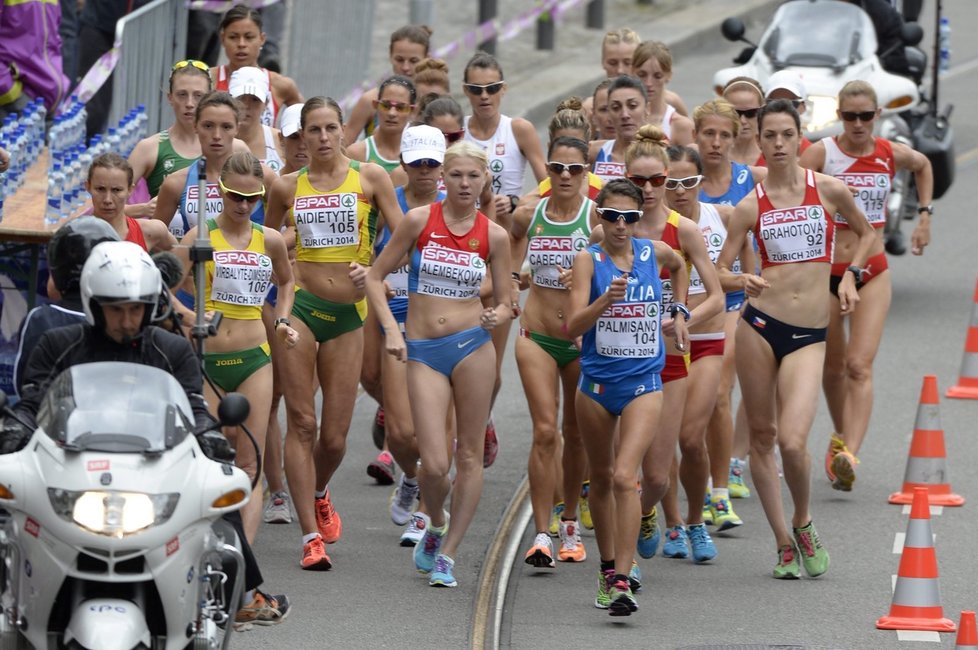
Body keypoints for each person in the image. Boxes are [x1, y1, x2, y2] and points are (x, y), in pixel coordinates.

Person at [8, 240, 290, 628]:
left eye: (136, 309)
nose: (127, 320)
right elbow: (31, 401)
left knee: (221, 491)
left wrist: (212, 439)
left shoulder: (171, 349)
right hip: (70, 467)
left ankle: (240, 592)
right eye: (116, 309)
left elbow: (194, 409)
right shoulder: (59, 344)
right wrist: (12, 428)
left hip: (153, 470)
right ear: (94, 305)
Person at [715, 99, 876, 579]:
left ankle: (803, 520)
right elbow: (719, 270)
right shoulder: (751, 205)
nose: (780, 144)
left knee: (791, 441)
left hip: (809, 334)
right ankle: (783, 542)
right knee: (762, 437)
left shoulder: (829, 190)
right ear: (760, 141)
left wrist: (849, 278)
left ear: (799, 137)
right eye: (771, 136)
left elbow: (866, 234)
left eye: (788, 135)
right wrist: (741, 280)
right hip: (759, 328)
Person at [264, 97, 403, 571]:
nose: (322, 138)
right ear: (300, 136)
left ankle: (320, 491)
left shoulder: (369, 177)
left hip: (348, 316)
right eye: (313, 130)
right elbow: (262, 246)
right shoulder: (286, 187)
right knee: (302, 422)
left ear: (344, 130)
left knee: (335, 438)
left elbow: (404, 240)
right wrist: (287, 247)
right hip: (302, 308)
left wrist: (374, 269)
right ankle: (309, 536)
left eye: (330, 128)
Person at [366, 140, 512, 588]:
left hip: (472, 346)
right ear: (443, 179)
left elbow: (508, 300)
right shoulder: (417, 221)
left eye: (474, 176)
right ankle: (435, 518)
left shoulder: (495, 235)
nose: (465, 184)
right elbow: (374, 276)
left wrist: (498, 313)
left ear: (485, 179)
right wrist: (392, 329)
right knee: (433, 464)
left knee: (468, 455)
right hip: (424, 349)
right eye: (457, 175)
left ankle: (447, 553)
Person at [799, 80, 933, 492]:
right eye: (849, 115)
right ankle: (841, 434)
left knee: (859, 365)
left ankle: (849, 454)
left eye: (866, 115)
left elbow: (924, 164)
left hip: (872, 268)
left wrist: (925, 215)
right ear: (839, 116)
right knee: (834, 367)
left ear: (878, 116)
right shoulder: (824, 153)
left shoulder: (889, 154)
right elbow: (790, 188)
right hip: (827, 272)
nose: (857, 123)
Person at [566, 178, 689, 615]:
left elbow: (680, 266)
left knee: (624, 476)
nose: (621, 225)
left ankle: (622, 576)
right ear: (600, 216)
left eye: (630, 217)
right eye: (613, 216)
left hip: (644, 381)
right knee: (599, 478)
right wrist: (605, 301)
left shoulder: (652, 252)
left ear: (639, 219)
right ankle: (605, 566)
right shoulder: (588, 260)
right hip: (597, 385)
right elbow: (573, 327)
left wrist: (678, 309)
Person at [176, 152, 298, 542]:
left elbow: (287, 282)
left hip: (254, 361)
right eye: (235, 197)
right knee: (205, 460)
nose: (244, 206)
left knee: (250, 464)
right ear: (219, 192)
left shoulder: (271, 239)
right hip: (208, 361)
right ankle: (201, 544)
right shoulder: (198, 238)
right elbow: (165, 286)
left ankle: (242, 558)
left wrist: (281, 319)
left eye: (253, 198)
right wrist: (187, 316)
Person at [623, 125, 723, 565]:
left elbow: (717, 295)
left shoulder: (684, 230)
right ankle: (619, 562)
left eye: (657, 180)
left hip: (670, 354)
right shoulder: (610, 225)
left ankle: (653, 513)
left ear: (667, 178)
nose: (648, 190)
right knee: (622, 470)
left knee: (659, 474)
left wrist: (683, 317)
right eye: (638, 181)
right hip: (621, 356)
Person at [511, 136, 595, 568]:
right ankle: (541, 533)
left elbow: (619, 269)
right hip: (537, 333)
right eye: (557, 168)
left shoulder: (596, 218)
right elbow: (507, 254)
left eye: (574, 169)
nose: (564, 176)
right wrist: (513, 281)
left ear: (586, 172)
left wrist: (583, 278)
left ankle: (569, 523)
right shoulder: (530, 215)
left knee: (576, 432)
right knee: (545, 431)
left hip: (581, 340)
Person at [662, 144, 753, 535]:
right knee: (666, 433)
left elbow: (737, 261)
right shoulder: (652, 228)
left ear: (701, 181)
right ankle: (669, 514)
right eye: (672, 183)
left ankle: (718, 491)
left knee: (713, 404)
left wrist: (746, 284)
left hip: (716, 323)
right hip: (665, 338)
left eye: (688, 182)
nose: (681, 191)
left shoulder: (723, 215)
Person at [376, 124, 447, 544]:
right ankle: (411, 476)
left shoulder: (453, 204)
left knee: (437, 428)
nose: (424, 170)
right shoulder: (390, 202)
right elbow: (370, 257)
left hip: (442, 328)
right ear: (402, 164)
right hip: (397, 322)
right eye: (417, 163)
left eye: (432, 163)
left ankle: (426, 513)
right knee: (401, 432)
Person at [693, 98, 764, 502]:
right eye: (709, 134)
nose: (716, 143)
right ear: (696, 136)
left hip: (734, 298)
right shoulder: (682, 179)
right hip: (688, 300)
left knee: (720, 388)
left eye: (724, 135)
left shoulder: (750, 178)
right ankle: (697, 464)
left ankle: (719, 482)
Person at [13, 218, 119, 398]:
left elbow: (22, 384)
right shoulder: (126, 320)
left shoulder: (40, 318)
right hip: (112, 420)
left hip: (52, 420)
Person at [262, 101, 305, 526]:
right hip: (275, 301)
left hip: (320, 304)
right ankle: (277, 491)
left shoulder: (342, 181)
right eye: (293, 137)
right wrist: (293, 239)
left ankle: (308, 484)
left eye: (307, 134)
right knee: (274, 399)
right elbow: (266, 240)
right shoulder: (276, 184)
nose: (303, 145)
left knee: (304, 410)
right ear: (283, 140)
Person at [153, 91, 277, 240]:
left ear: (237, 128)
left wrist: (275, 249)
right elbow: (155, 236)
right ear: (195, 126)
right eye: (208, 126)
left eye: (226, 127)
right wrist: (181, 253)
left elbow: (293, 227)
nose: (217, 135)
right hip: (198, 263)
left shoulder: (264, 176)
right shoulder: (176, 182)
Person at [462, 51, 547, 222]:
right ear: (466, 91)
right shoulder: (457, 130)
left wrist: (515, 202)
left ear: (503, 89)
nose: (484, 96)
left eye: (492, 88)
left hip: (507, 234)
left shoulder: (519, 130)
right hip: (464, 234)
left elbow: (549, 188)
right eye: (476, 89)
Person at [127, 59, 214, 218]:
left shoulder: (227, 147)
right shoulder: (149, 148)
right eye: (182, 95)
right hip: (164, 242)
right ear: (170, 97)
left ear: (209, 98)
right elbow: (104, 203)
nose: (189, 103)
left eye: (198, 96)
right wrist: (142, 210)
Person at [211, 5, 302, 127]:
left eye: (249, 37)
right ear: (222, 39)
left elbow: (311, 121)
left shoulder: (281, 85)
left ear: (262, 39)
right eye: (233, 37)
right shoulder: (208, 80)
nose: (241, 44)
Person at [344, 24, 432, 143]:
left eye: (413, 61)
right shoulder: (369, 100)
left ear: (427, 58)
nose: (405, 67)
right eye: (399, 60)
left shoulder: (431, 101)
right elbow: (344, 147)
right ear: (390, 56)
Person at [87, 153, 177, 253]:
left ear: (130, 190)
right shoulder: (74, 235)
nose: (107, 200)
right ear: (88, 187)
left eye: (116, 190)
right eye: (100, 189)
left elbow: (180, 258)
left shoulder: (150, 231)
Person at [0, 0, 68, 119]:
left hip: (48, 104)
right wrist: (12, 93)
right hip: (13, 106)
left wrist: (59, 83)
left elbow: (53, 39)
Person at [347, 75, 416, 184]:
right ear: (375, 105)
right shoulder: (356, 154)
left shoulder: (419, 154)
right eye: (386, 106)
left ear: (412, 111)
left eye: (400, 108)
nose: (392, 113)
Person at [630, 41, 694, 145]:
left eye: (657, 76)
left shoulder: (681, 125)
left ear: (669, 75)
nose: (648, 83)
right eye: (642, 75)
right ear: (632, 72)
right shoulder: (623, 119)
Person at [590, 75, 647, 185]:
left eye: (632, 106)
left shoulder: (663, 156)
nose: (625, 115)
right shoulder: (593, 152)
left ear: (647, 109)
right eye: (616, 108)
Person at [228, 67, 285, 173]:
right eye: (240, 97)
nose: (246, 105)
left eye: (255, 99)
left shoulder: (280, 141)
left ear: (266, 104)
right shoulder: (214, 138)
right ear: (229, 99)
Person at [845, 0, 911, 76]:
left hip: (865, 77)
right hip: (829, 76)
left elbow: (896, 62)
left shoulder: (884, 13)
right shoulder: (828, 10)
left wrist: (879, 63)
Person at [722, 77, 765, 167]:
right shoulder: (712, 157)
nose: (743, 120)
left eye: (751, 113)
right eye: (735, 113)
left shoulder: (773, 159)